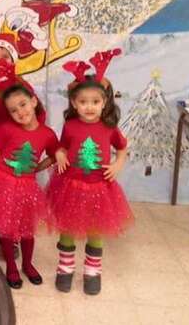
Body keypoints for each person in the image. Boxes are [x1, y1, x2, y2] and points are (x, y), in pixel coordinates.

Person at [48, 49, 134, 295]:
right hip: (71, 185)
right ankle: (65, 268)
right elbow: (62, 146)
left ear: (104, 103)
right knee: (68, 228)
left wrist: (117, 165)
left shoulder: (109, 127)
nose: (89, 107)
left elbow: (122, 147)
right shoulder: (70, 125)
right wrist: (60, 153)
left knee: (96, 229)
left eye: (95, 102)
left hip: (100, 187)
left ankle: (92, 271)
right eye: (83, 102)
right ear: (74, 104)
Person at [0, 84, 56, 288]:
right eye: (13, 110)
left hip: (27, 185)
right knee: (6, 228)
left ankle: (28, 265)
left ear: (33, 101)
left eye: (23, 104)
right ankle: (11, 267)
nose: (20, 112)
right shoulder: (7, 129)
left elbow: (55, 155)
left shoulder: (47, 134)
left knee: (27, 228)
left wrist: (37, 168)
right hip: (3, 181)